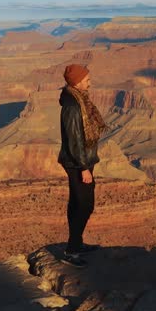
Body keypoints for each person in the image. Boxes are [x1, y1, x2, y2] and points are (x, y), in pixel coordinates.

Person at [57, 62, 106, 268]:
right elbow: (74, 139)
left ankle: (76, 244)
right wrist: (83, 167)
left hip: (82, 160)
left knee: (79, 203)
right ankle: (71, 251)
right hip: (77, 163)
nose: (90, 82)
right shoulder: (72, 106)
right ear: (77, 82)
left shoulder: (79, 100)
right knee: (84, 205)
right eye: (86, 79)